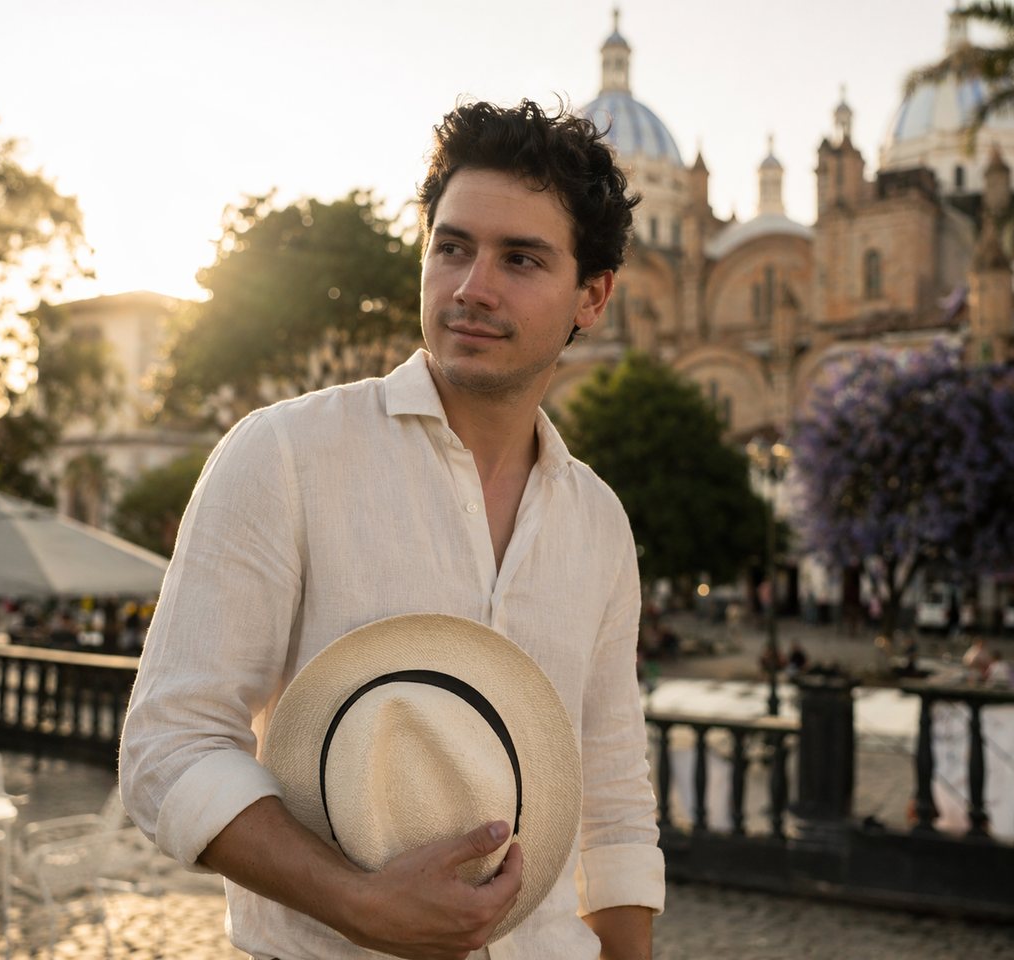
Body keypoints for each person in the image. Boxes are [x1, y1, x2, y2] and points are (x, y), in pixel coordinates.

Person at [119, 99, 664, 960]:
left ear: (591, 297)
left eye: (520, 259)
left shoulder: (596, 520)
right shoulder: (285, 454)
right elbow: (169, 745)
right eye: (452, 247)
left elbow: (613, 792)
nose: (471, 287)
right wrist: (356, 902)